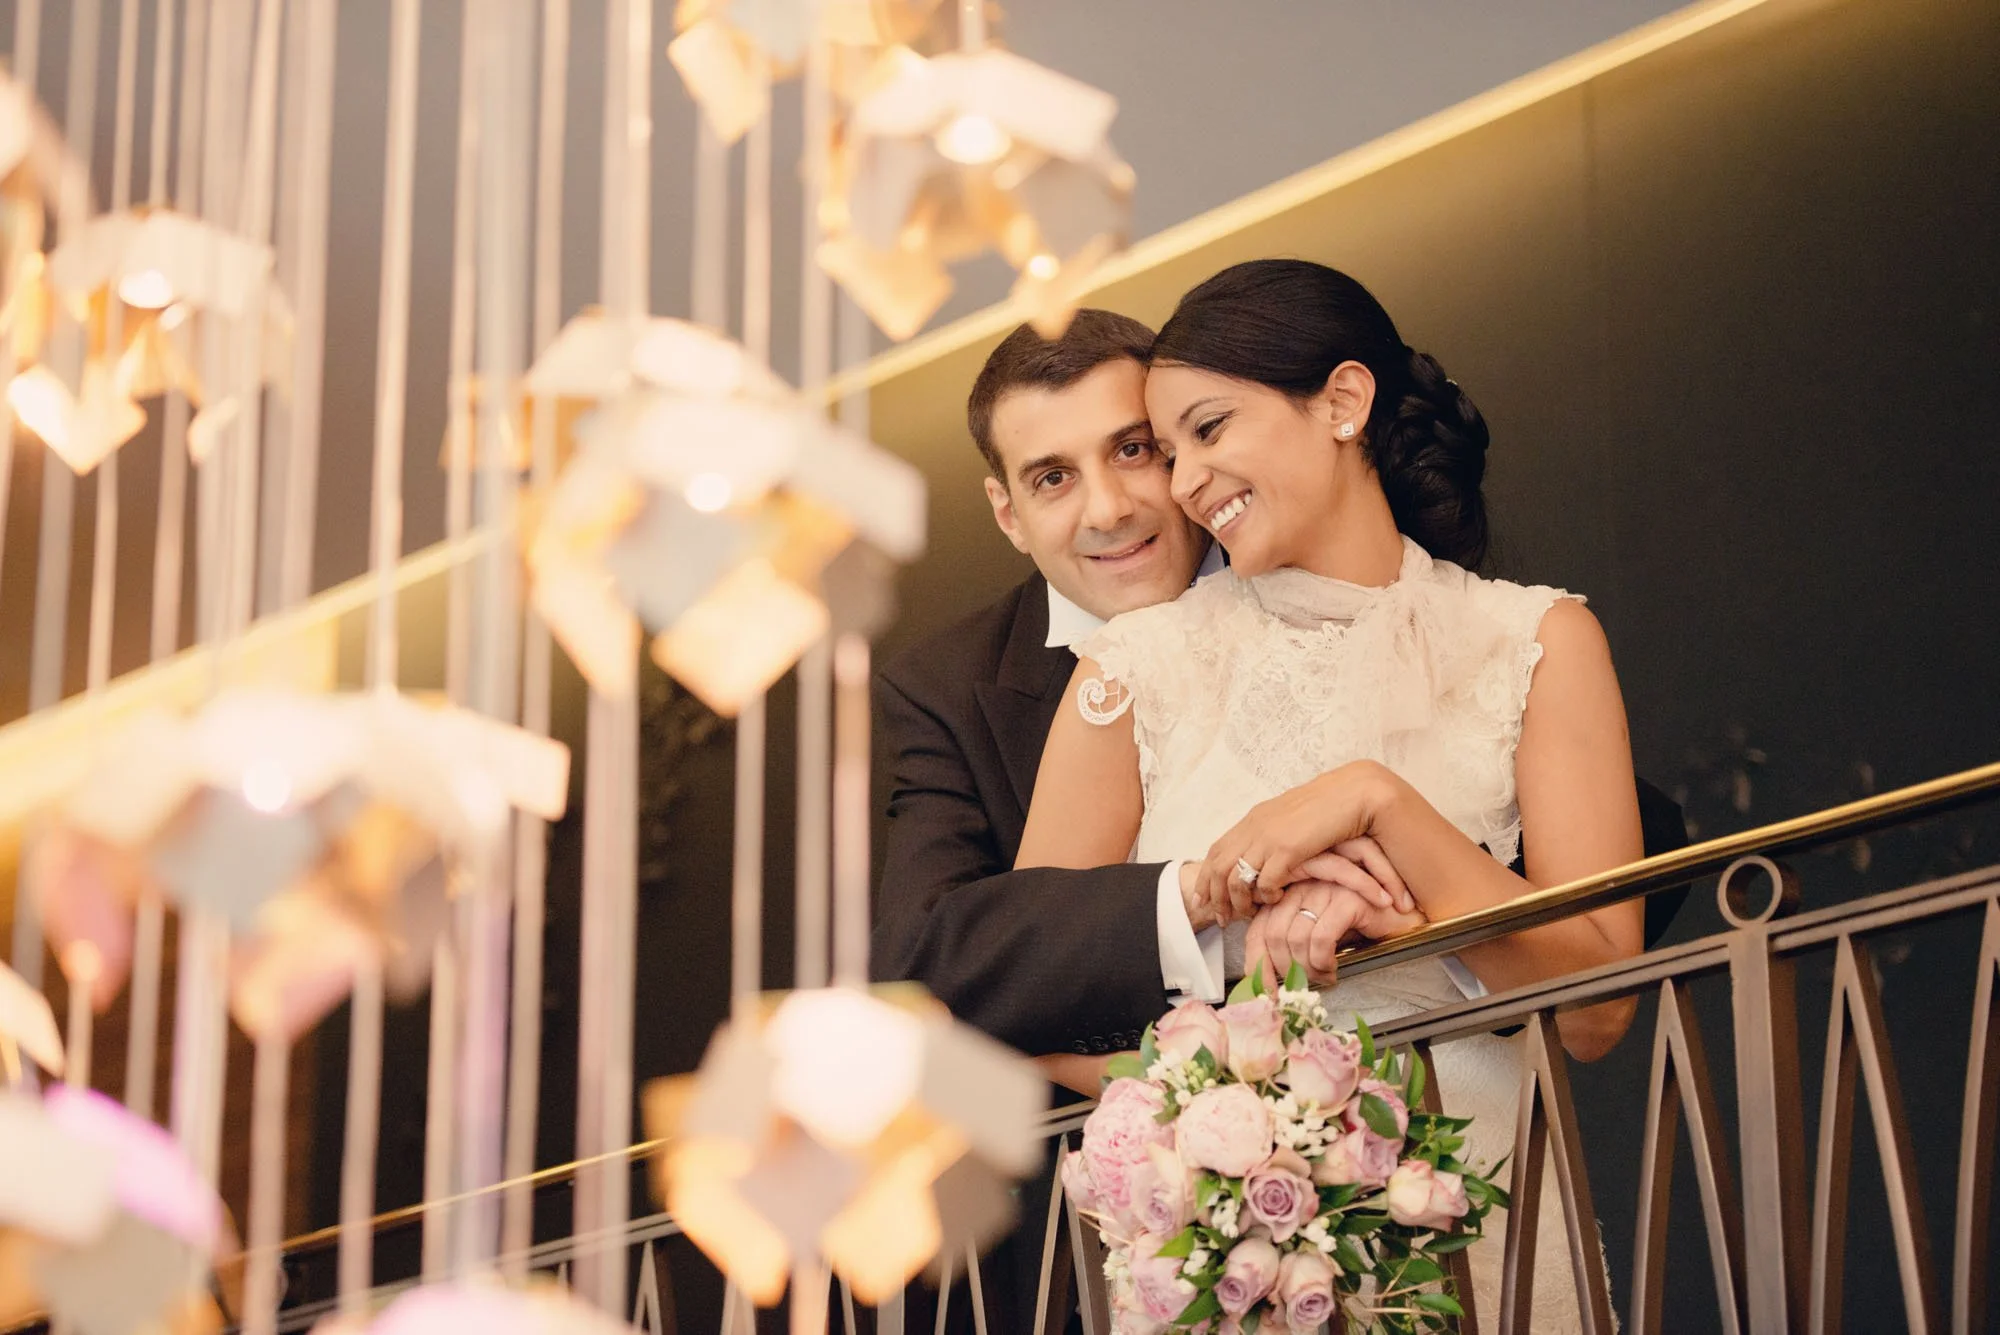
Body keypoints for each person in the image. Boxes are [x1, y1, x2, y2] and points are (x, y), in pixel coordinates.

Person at [1015, 259, 1649, 1331]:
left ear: (1343, 403)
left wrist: (1380, 811)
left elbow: (1598, 1008)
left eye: (1208, 431)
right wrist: (1220, 1101)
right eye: (1168, 453)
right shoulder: (1131, 672)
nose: (1183, 484)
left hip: (1481, 1220)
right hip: (1224, 1253)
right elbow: (1018, 989)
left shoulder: (1535, 641)